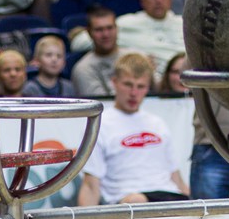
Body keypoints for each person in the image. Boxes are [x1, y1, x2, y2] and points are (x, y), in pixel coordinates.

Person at [78, 52, 188, 206]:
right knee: (137, 200)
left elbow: (176, 178)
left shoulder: (157, 123)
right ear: (114, 82)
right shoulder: (99, 125)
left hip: (168, 196)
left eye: (141, 86)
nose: (134, 93)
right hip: (128, 201)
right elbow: (90, 185)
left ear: (148, 87)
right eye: (128, 85)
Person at [71, 0, 185, 75]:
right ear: (142, 0)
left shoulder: (184, 23)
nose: (159, 0)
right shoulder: (126, 23)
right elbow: (79, 43)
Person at [71, 6, 124, 97]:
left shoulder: (136, 57)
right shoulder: (83, 69)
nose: (105, 34)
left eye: (109, 28)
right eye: (99, 30)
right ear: (89, 32)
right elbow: (101, 103)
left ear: (117, 29)